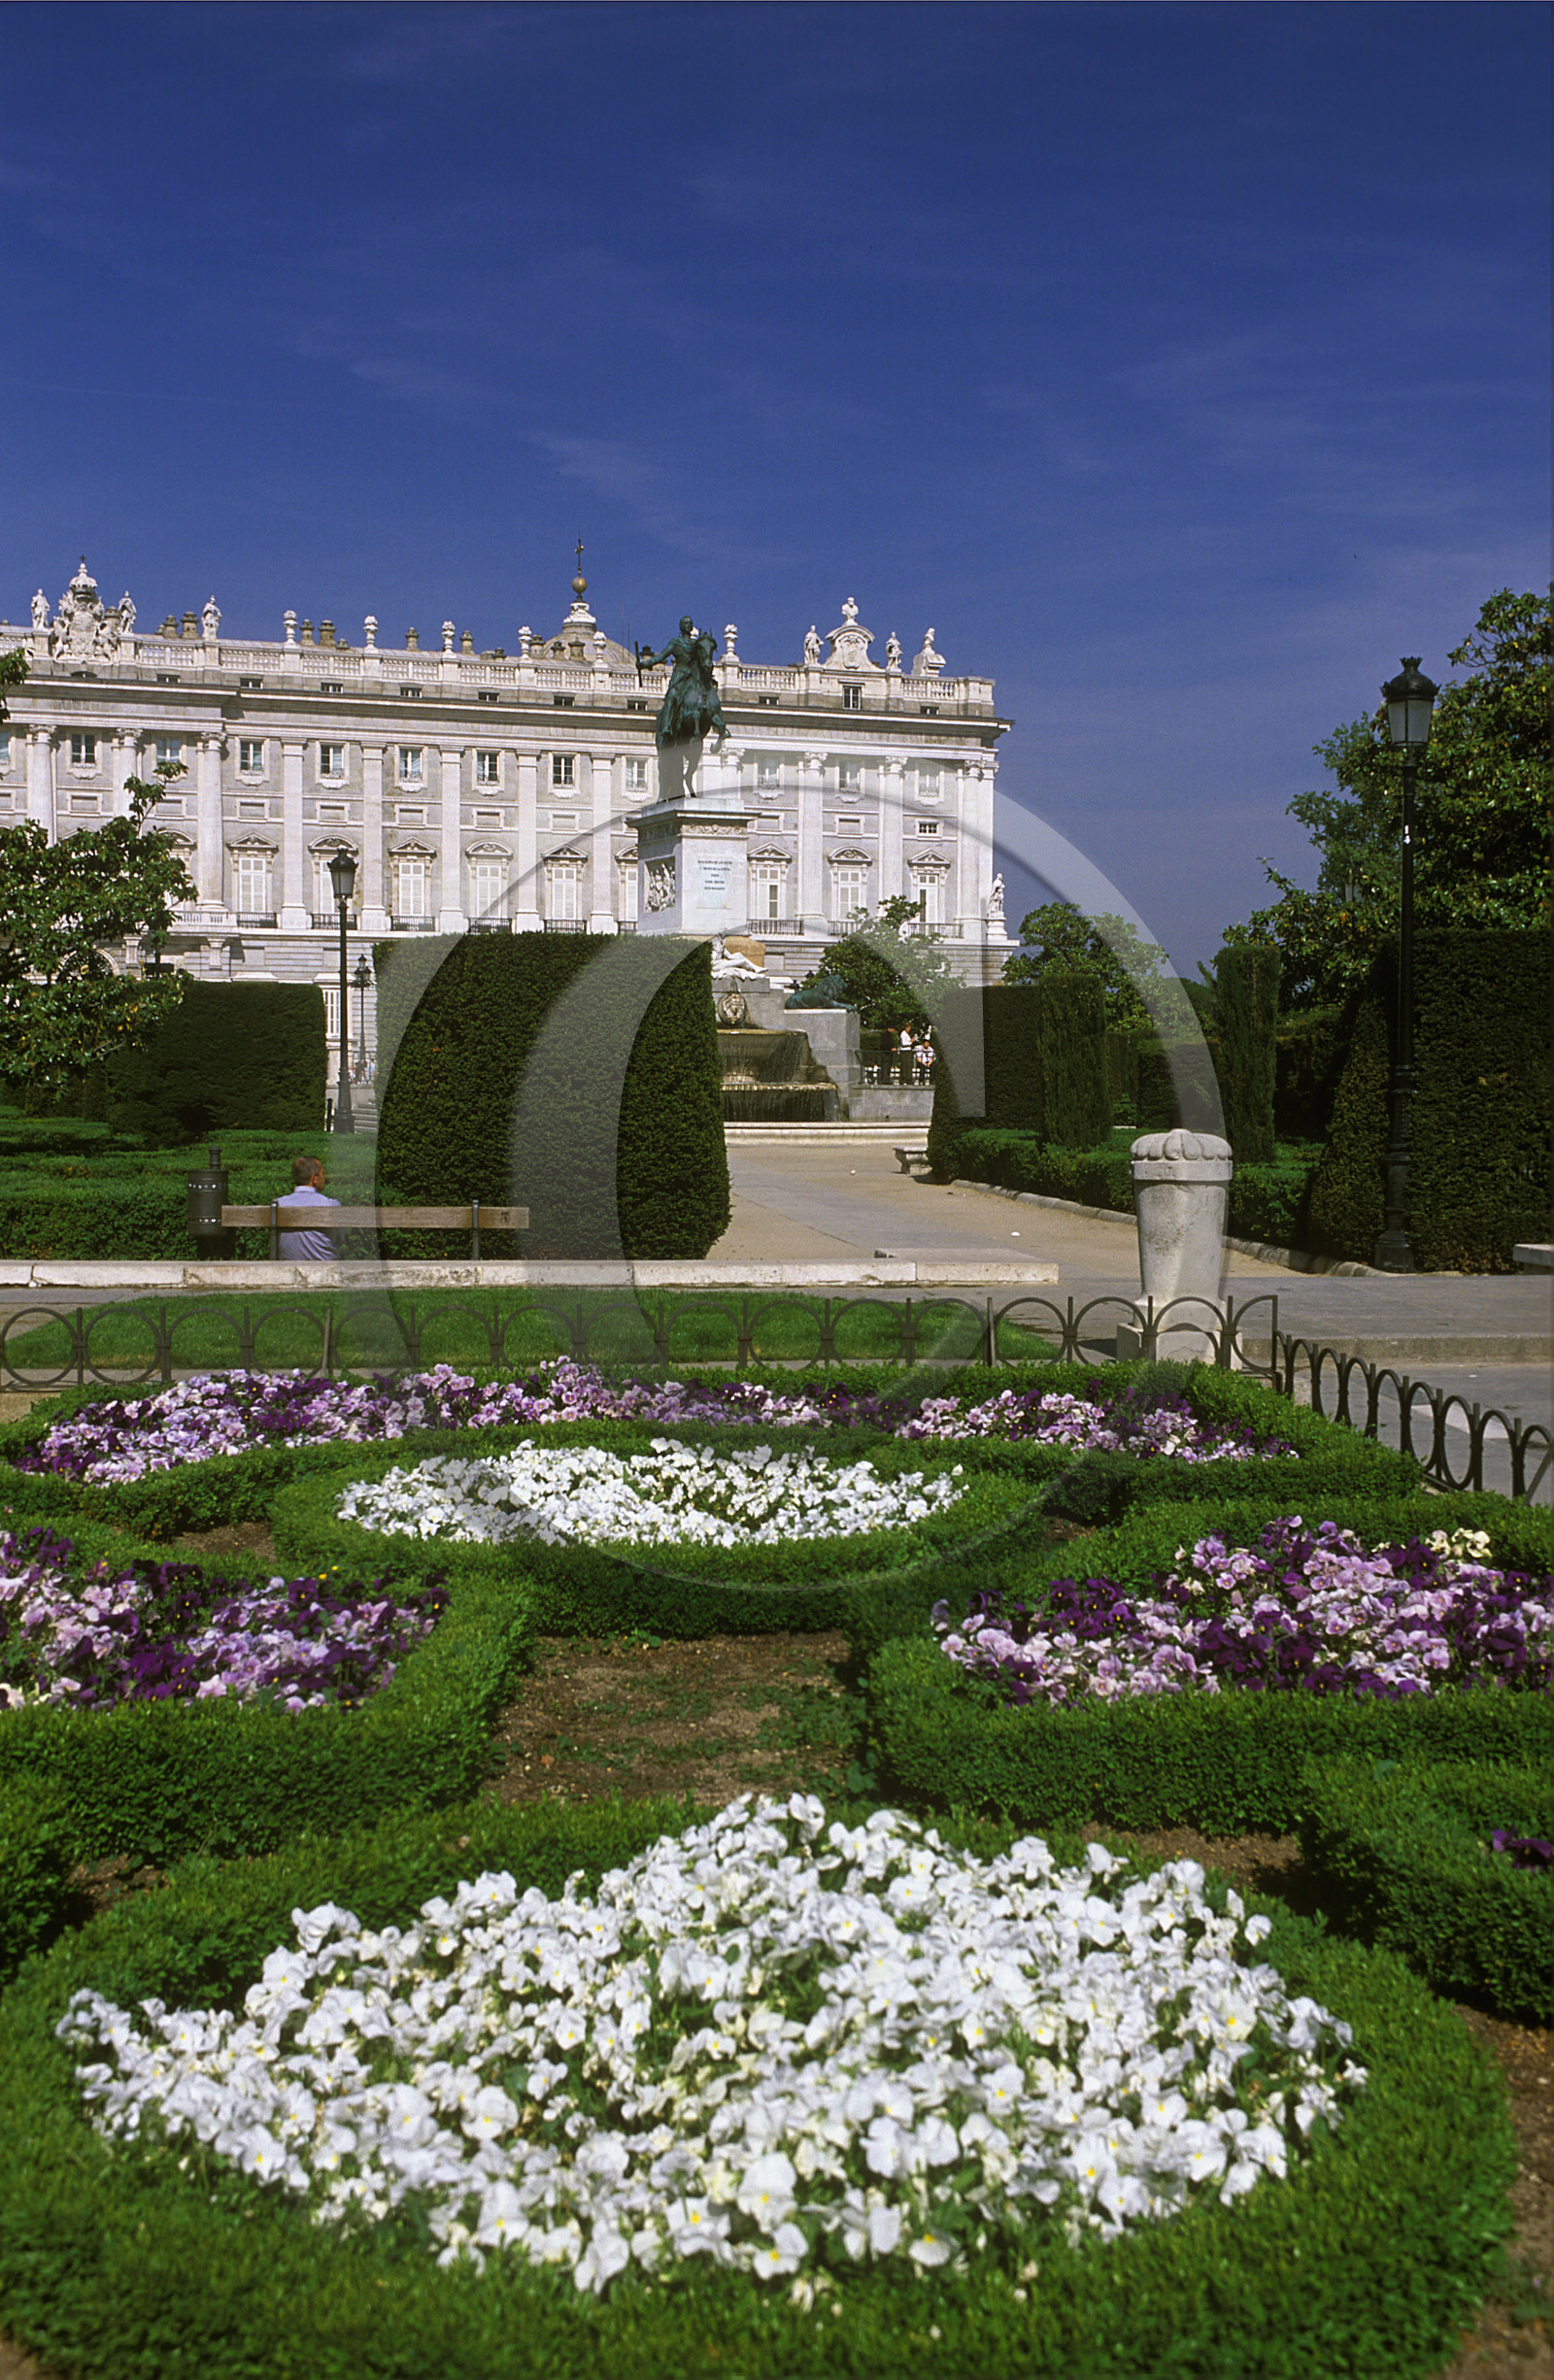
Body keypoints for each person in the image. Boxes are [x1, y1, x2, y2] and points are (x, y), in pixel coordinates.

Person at [277, 1154, 340, 1260]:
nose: (324, 1177)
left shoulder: (279, 1204)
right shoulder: (331, 1205)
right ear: (314, 1178)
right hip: (325, 1269)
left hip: (288, 1269)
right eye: (322, 1173)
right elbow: (339, 1239)